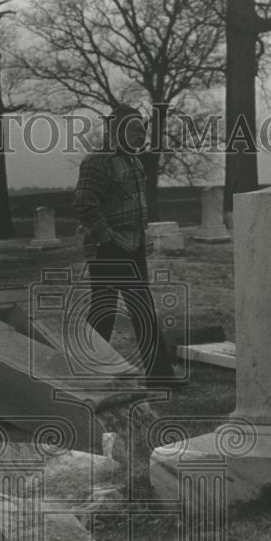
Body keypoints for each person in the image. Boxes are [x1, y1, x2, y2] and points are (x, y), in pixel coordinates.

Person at [72, 104, 183, 387]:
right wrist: (107, 240)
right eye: (134, 130)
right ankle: (83, 374)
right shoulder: (98, 161)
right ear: (116, 131)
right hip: (107, 248)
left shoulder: (134, 161)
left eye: (142, 130)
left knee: (144, 310)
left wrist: (138, 242)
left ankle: (160, 378)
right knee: (104, 312)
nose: (140, 136)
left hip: (133, 247)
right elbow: (85, 205)